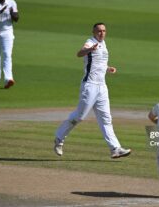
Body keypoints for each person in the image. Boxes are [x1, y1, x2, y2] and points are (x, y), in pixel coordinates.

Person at [54, 23, 131, 159]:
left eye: (104, 31)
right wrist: (89, 50)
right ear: (94, 32)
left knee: (106, 119)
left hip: (102, 87)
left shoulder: (104, 44)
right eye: (99, 31)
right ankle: (59, 138)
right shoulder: (90, 42)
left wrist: (108, 68)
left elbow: (98, 62)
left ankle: (115, 148)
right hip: (90, 86)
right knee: (79, 116)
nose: (102, 33)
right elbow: (79, 53)